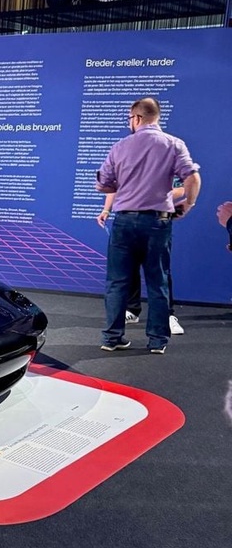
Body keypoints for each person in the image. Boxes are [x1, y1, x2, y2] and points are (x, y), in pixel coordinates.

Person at [96, 96, 200, 354]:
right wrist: (187, 204)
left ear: (137, 118)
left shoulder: (119, 147)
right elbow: (192, 178)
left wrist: (126, 186)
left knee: (117, 282)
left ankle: (112, 338)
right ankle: (157, 341)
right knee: (157, 282)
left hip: (124, 222)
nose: (129, 123)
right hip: (157, 223)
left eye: (129, 118)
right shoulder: (174, 144)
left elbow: (103, 185)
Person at [97, 184, 187, 334]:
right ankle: (132, 310)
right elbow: (113, 186)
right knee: (128, 267)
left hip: (158, 217)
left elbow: (182, 188)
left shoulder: (166, 167)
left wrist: (151, 196)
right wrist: (106, 209)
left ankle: (166, 316)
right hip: (128, 218)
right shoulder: (124, 167)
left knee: (159, 272)